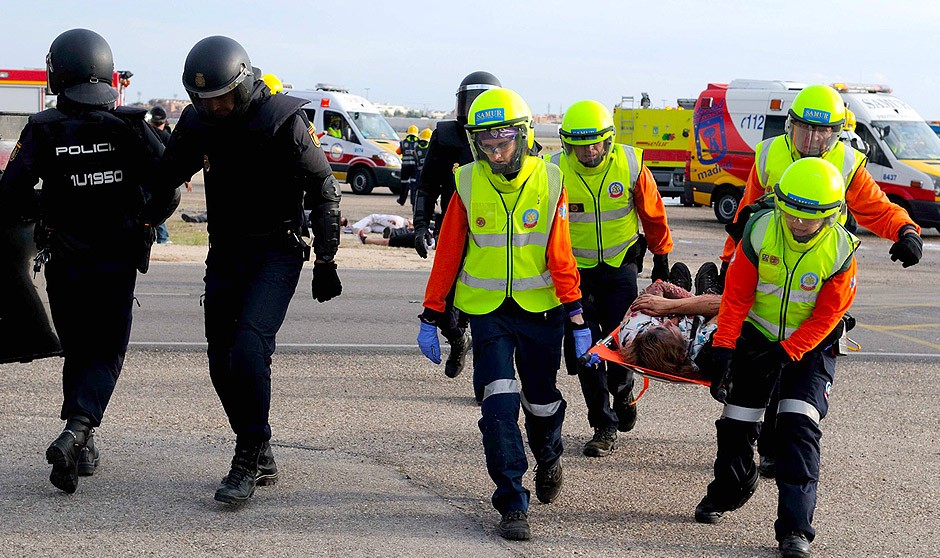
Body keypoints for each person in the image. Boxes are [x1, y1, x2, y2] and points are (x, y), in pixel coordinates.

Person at [158, 35, 342, 505]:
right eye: (205, 100)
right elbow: (162, 176)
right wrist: (136, 215)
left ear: (242, 84)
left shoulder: (281, 119)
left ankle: (245, 457)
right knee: (220, 359)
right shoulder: (198, 122)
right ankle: (258, 443)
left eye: (222, 98)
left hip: (276, 251)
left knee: (248, 349)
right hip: (225, 251)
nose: (215, 108)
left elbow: (324, 187)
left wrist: (326, 258)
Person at [0, 28, 176, 493]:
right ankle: (77, 430)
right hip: (115, 263)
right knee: (104, 353)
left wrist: (45, 209)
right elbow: (170, 187)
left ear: (59, 72)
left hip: (64, 260)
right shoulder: (133, 127)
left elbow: (9, 193)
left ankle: (82, 443)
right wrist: (142, 222)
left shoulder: (43, 130)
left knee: (79, 348)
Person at [718, 84, 923, 478]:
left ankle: (777, 444)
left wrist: (906, 232)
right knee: (759, 361)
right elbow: (745, 216)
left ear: (836, 133)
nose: (813, 140)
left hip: (821, 279)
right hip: (770, 274)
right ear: (790, 125)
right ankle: (756, 440)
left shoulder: (846, 165)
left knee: (799, 365)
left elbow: (878, 208)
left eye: (823, 132)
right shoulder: (769, 155)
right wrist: (730, 263)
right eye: (805, 130)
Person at [417, 88, 585, 541]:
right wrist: (431, 313)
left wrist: (577, 316)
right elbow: (449, 253)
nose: (494, 153)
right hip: (488, 313)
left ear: (524, 136)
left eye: (503, 142)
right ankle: (512, 501)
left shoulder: (551, 181)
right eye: (485, 144)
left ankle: (549, 457)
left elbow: (561, 255)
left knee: (541, 401)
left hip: (541, 312)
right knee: (498, 405)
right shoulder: (467, 182)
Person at [696, 159, 859, 558]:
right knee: (735, 426)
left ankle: (795, 531)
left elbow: (827, 316)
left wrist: (787, 352)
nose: (798, 225)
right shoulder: (760, 229)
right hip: (758, 336)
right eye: (791, 215)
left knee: (797, 429)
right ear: (779, 205)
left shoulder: (840, 251)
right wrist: (724, 345)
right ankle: (730, 489)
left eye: (810, 220)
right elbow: (736, 296)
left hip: (810, 346)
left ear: (832, 214)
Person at [547, 99, 673, 457]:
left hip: (620, 267)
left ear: (610, 140)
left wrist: (661, 256)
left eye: (596, 143)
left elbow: (653, 213)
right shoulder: (554, 170)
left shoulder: (631, 164)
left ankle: (623, 390)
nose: (588, 151)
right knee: (586, 351)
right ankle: (602, 425)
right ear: (566, 143)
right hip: (575, 273)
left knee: (619, 341)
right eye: (579, 144)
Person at [412, 71, 501, 379]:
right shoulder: (447, 136)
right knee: (445, 306)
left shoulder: (508, 138)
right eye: (470, 100)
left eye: (482, 100)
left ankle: (489, 380)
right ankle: (458, 338)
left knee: (489, 311)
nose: (475, 107)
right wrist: (420, 225)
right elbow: (427, 185)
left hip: (496, 236)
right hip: (454, 229)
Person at [618, 263, 722, 381]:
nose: (667, 323)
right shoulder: (699, 350)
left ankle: (685, 293)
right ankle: (708, 294)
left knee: (657, 300)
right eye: (670, 329)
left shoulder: (634, 330)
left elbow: (658, 287)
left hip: (666, 306)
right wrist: (675, 306)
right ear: (683, 353)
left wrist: (666, 303)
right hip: (700, 317)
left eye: (660, 326)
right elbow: (727, 305)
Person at [148, 106, 192, 244]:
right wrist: (186, 178)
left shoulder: (151, 134)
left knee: (154, 208)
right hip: (164, 179)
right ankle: (162, 237)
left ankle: (161, 237)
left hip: (155, 178)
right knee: (158, 208)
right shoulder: (168, 136)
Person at [397, 125, 419, 206]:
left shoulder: (403, 142)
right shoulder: (419, 143)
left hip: (405, 166)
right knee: (414, 184)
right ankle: (413, 201)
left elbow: (398, 152)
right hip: (414, 167)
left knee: (404, 183)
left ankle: (402, 200)